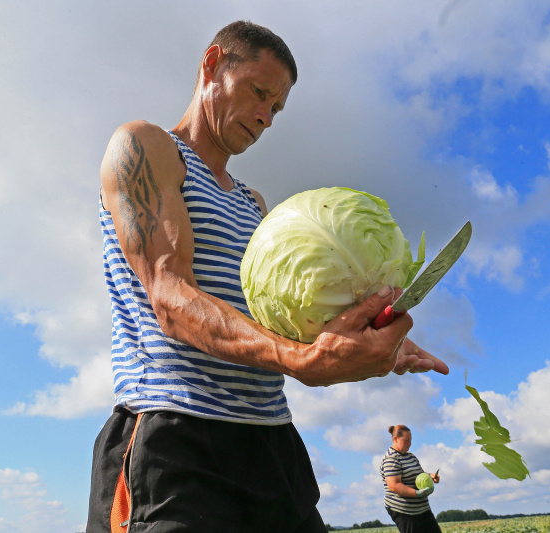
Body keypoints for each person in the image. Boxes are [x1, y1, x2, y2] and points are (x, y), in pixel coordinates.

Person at [87, 20, 449, 533]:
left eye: (276, 108)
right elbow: (169, 296)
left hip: (270, 439)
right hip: (177, 440)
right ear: (212, 64)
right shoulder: (145, 147)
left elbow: (282, 325)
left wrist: (367, 340)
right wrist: (301, 359)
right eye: (259, 92)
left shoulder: (254, 204)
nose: (266, 116)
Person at [381, 425, 442, 533]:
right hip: (405, 511)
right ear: (395, 439)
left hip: (422, 508)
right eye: (406, 441)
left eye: (410, 440)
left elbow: (419, 475)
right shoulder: (391, 459)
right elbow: (394, 485)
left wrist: (430, 476)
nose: (410, 444)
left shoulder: (411, 456)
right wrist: (417, 493)